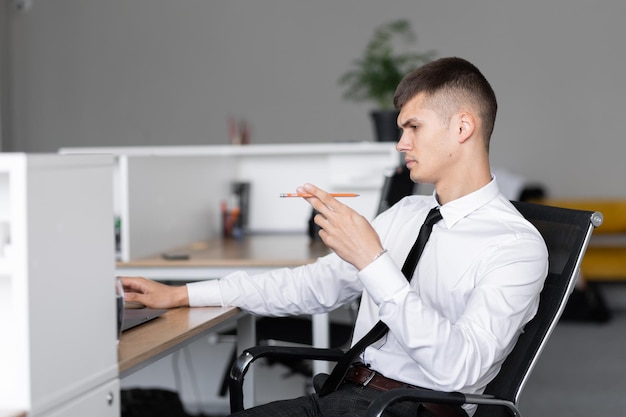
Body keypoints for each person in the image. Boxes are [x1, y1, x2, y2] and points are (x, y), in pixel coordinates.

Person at [122, 57, 549, 417]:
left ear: (462, 128)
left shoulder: (516, 246)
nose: (401, 144)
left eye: (413, 127)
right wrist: (183, 295)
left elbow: (458, 368)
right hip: (345, 395)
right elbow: (310, 286)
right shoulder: (407, 213)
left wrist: (373, 261)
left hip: (410, 409)